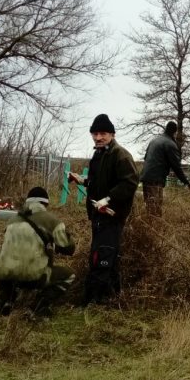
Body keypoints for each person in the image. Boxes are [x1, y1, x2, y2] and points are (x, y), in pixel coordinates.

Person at [68, 114, 139, 305]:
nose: (98, 137)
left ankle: (91, 302)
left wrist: (107, 200)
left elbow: (130, 182)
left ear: (112, 134)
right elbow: (96, 182)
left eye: (103, 134)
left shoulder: (121, 155)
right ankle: (113, 297)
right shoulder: (99, 155)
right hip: (97, 216)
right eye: (95, 133)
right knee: (106, 256)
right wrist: (80, 180)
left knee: (102, 258)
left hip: (111, 217)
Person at [0, 186, 76, 316]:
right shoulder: (51, 220)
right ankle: (40, 306)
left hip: (4, 274)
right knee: (69, 275)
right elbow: (69, 248)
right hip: (34, 277)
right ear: (45, 203)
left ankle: (6, 301)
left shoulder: (12, 220)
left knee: (7, 262)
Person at [140, 121, 190, 217]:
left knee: (149, 207)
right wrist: (186, 181)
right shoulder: (170, 144)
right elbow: (176, 166)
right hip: (155, 180)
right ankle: (154, 230)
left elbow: (146, 157)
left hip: (145, 177)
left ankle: (147, 229)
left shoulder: (154, 141)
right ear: (174, 132)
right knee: (155, 210)